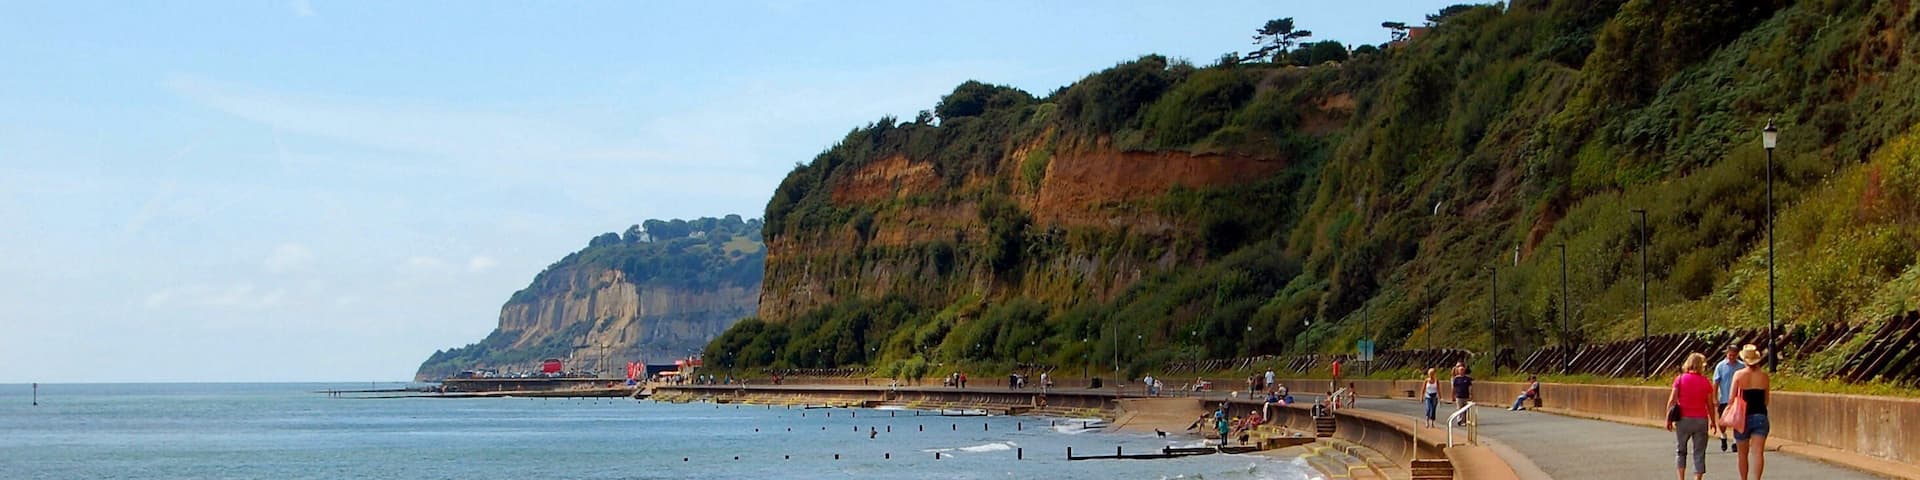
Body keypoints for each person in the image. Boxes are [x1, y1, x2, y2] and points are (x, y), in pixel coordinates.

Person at [1667, 353, 1717, 480]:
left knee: (1681, 450)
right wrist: (1713, 420)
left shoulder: (1680, 379)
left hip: (1683, 419)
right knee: (1699, 452)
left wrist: (1668, 418)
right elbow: (1710, 404)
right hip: (1701, 419)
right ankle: (1697, 478)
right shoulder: (1705, 381)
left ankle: (1681, 478)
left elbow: (1672, 400)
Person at [1733, 345, 1772, 480]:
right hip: (1760, 415)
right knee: (1758, 453)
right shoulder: (1764, 376)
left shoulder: (1739, 375)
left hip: (1742, 417)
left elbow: (1732, 398)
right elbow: (1766, 400)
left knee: (1742, 454)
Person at [1712, 344, 1745, 452]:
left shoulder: (1742, 366)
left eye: (1734, 355)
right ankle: (1723, 435)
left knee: (1736, 420)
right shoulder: (1720, 366)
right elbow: (1716, 383)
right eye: (1730, 355)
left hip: (1737, 399)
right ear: (1727, 354)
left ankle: (1735, 441)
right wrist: (1714, 398)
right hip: (1724, 398)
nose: (1731, 357)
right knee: (1722, 421)